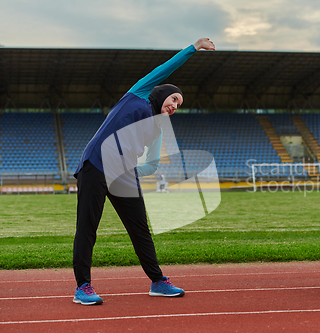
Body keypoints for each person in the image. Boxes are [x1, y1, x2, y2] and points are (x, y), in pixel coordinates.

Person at [72, 38, 215, 305]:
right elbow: (165, 68)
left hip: (123, 174)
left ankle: (158, 281)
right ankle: (83, 287)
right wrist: (193, 48)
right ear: (162, 93)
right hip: (97, 164)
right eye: (174, 98)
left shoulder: (158, 127)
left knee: (140, 230)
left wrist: (129, 167)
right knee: (88, 227)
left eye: (179, 105)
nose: (174, 106)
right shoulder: (138, 94)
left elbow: (152, 164)